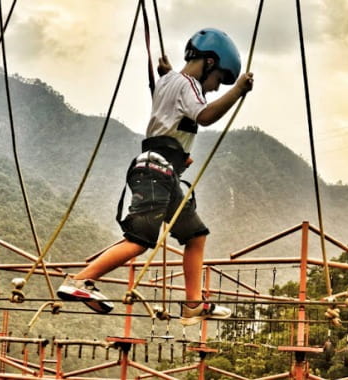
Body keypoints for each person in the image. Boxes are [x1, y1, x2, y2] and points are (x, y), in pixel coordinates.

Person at [57, 28, 254, 326]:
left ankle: (192, 304)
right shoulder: (189, 85)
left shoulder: (170, 81)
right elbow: (205, 115)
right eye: (218, 80)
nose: (214, 89)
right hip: (156, 171)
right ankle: (80, 280)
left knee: (195, 235)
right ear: (210, 63)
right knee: (140, 239)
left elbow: (169, 115)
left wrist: (167, 73)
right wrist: (238, 90)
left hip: (162, 171)